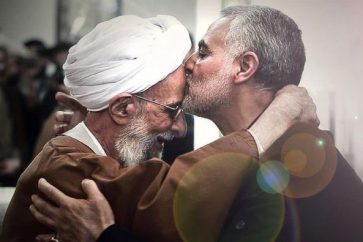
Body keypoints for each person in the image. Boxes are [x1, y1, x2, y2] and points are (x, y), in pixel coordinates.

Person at [30, 5, 363, 242]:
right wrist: (97, 129)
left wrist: (105, 238)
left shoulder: (291, 171)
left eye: (202, 52)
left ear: (244, 67)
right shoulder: (259, 159)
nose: (188, 63)